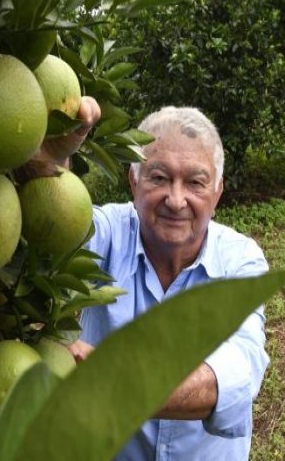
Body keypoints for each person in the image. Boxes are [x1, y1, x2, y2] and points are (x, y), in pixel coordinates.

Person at [36, 97, 269, 461]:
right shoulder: (107, 235)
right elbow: (49, 228)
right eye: (159, 177)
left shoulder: (239, 261)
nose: (176, 200)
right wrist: (49, 161)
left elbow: (236, 375)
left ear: (218, 192)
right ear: (134, 182)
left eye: (195, 182)